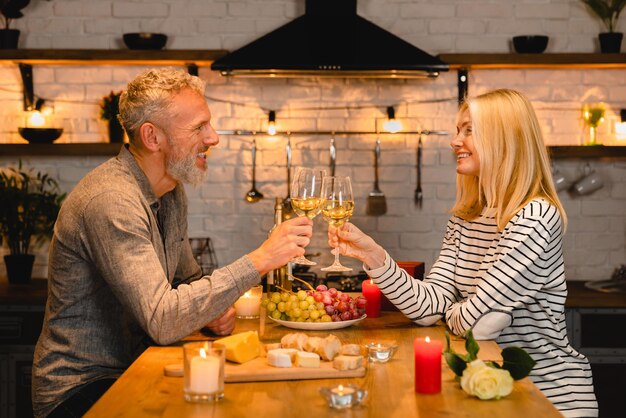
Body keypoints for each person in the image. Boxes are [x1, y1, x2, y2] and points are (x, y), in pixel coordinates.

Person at [32, 68, 313, 418]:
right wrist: (260, 259)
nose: (214, 138)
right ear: (152, 137)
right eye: (198, 127)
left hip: (137, 366)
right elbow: (163, 320)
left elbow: (185, 281)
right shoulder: (112, 201)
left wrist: (209, 312)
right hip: (84, 387)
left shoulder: (170, 190)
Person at [328, 89, 598, 417]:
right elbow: (430, 308)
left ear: (503, 139)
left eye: (469, 130)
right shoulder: (467, 214)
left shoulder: (534, 217)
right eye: (458, 130)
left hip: (547, 397)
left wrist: (456, 312)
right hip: (489, 390)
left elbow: (472, 327)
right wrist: (373, 256)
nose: (455, 141)